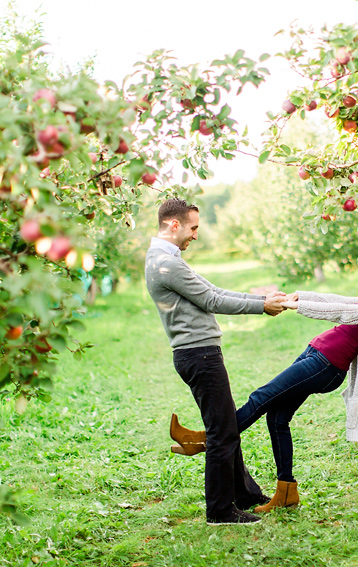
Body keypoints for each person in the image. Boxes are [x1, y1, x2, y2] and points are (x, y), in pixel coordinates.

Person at [171, 251, 358, 513]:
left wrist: (299, 307)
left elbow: (344, 312)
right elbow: (342, 300)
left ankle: (207, 440)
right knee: (276, 416)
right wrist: (302, 296)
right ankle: (286, 491)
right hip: (315, 354)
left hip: (325, 365)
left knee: (261, 397)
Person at [144, 197, 286, 526]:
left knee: (224, 428)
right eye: (193, 227)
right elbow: (212, 300)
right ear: (174, 224)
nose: (196, 234)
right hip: (199, 354)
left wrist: (263, 299)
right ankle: (220, 511)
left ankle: (246, 495)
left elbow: (212, 289)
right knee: (223, 432)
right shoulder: (166, 263)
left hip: (198, 352)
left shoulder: (166, 259)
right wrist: (262, 307)